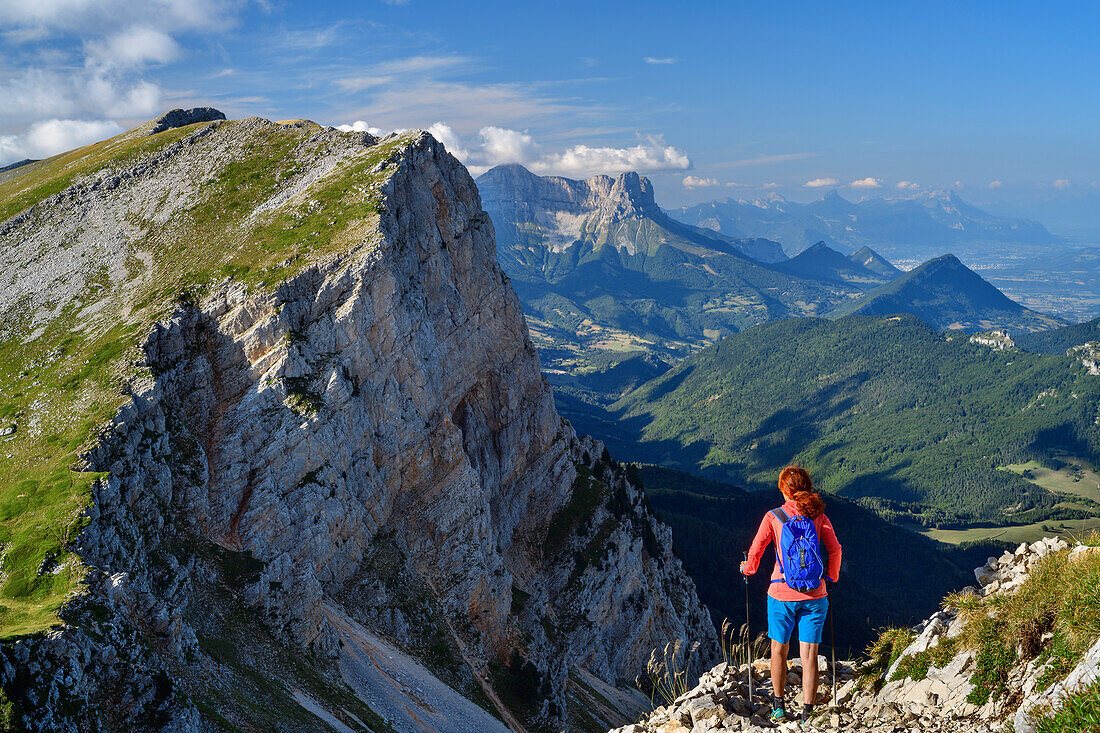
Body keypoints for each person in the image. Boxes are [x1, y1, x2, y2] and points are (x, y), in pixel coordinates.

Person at [740, 466, 841, 725]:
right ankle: (808, 713)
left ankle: (778, 706)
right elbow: (835, 549)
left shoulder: (774, 516)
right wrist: (830, 577)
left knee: (779, 649)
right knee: (809, 655)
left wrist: (747, 569)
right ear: (807, 486)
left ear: (784, 490)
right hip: (815, 595)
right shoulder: (818, 515)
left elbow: (756, 550)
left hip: (780, 592)